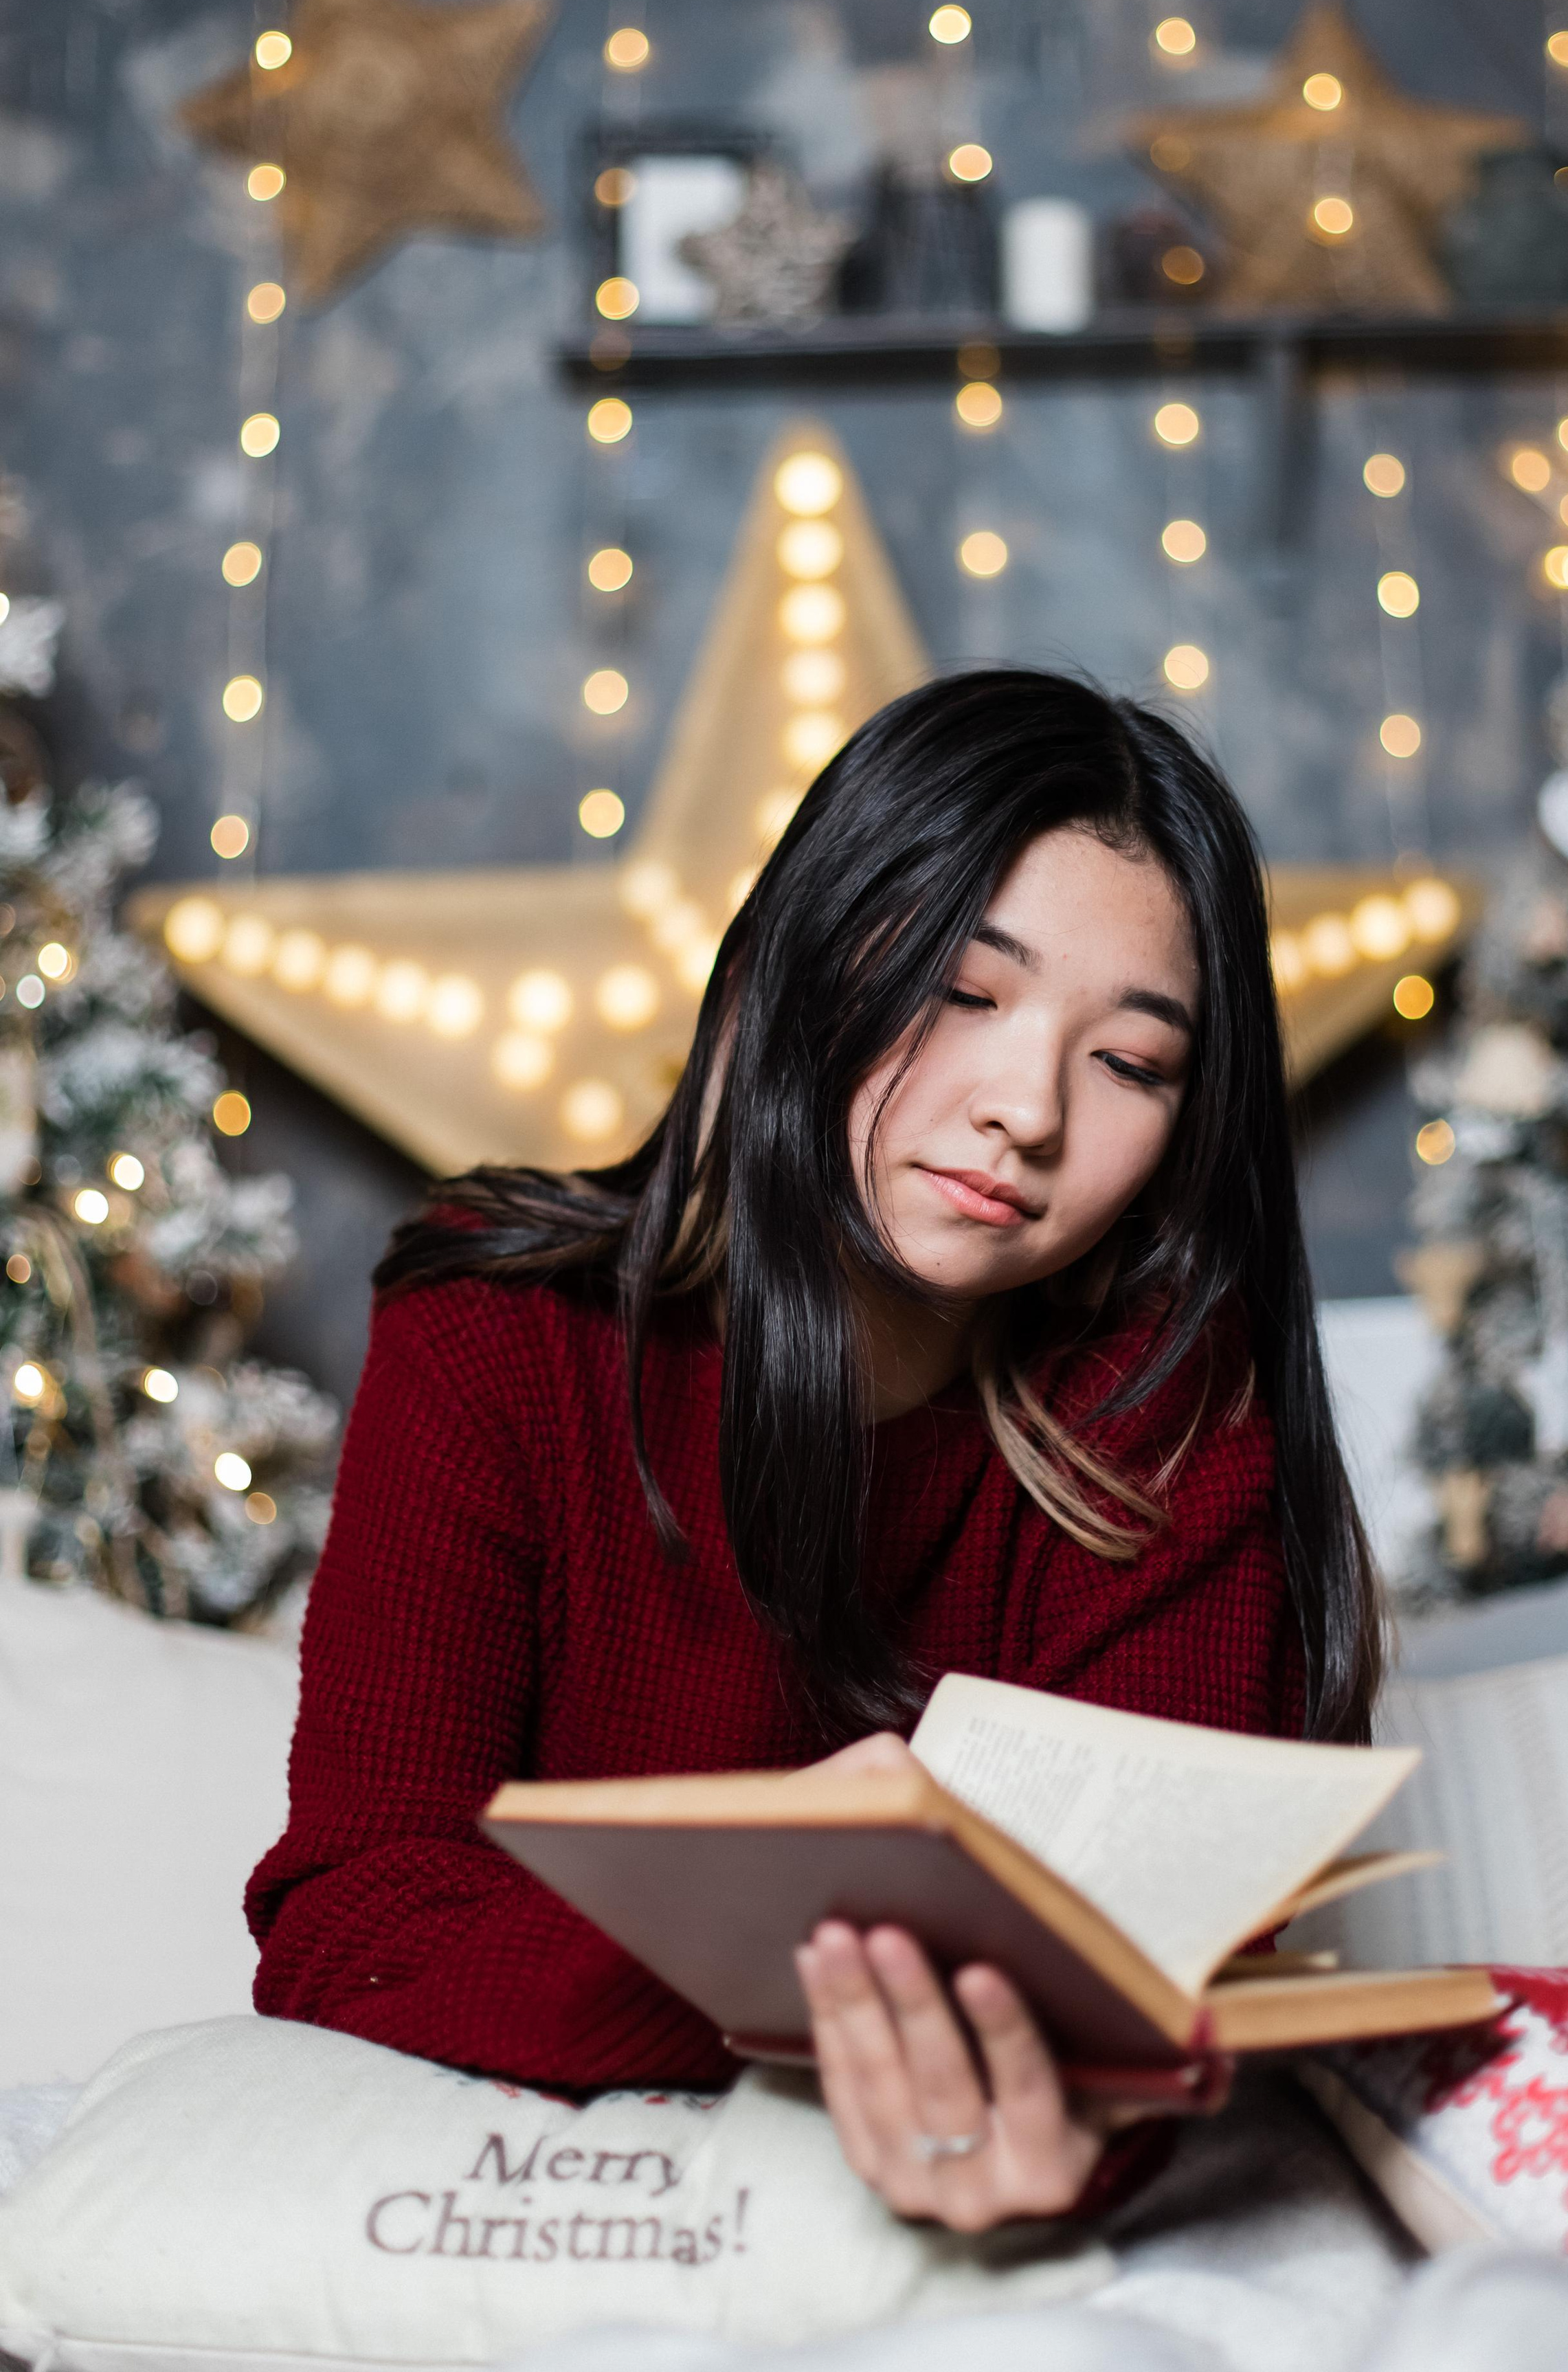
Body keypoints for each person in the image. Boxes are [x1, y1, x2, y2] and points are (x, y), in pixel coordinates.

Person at [247, 668, 1380, 2233]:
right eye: (964, 992)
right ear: (802, 962)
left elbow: (1150, 1996)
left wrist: (1054, 2135)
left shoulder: (1162, 1421)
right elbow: (354, 1917)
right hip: (571, 2235)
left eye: (1129, 1063)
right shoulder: (502, 1338)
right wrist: (796, 1933)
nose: (1027, 1111)